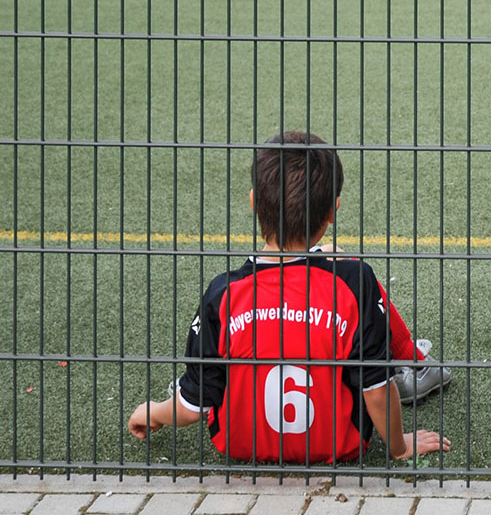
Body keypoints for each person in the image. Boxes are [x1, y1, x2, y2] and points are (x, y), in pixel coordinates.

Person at [126, 131, 452, 462]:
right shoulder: (355, 282)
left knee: (216, 368)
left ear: (254, 202)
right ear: (333, 211)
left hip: (241, 445)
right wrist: (401, 447)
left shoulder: (221, 294)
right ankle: (412, 363)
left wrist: (153, 411)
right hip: (340, 445)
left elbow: (191, 408)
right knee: (348, 276)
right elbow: (377, 392)